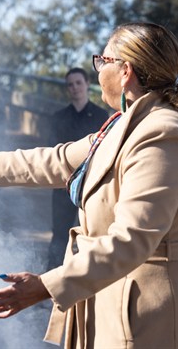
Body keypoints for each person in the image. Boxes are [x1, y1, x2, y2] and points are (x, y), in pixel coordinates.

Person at [0, 22, 178, 348]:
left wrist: (46, 285)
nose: (97, 71)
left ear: (125, 71)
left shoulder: (162, 134)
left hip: (165, 318)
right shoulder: (127, 126)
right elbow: (54, 161)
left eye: (102, 61)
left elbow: (131, 239)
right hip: (132, 304)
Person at [46, 67, 108, 269]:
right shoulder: (57, 117)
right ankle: (49, 283)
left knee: (93, 235)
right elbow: (51, 152)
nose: (75, 88)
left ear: (87, 84)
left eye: (78, 83)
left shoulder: (102, 116)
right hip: (64, 184)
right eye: (70, 85)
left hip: (91, 186)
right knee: (59, 235)